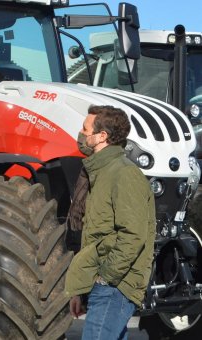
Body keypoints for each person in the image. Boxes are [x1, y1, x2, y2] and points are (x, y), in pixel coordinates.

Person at [65, 105, 156, 340]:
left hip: (116, 286)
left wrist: (107, 278)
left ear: (101, 136)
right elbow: (96, 237)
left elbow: (133, 235)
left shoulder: (124, 174)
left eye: (85, 129)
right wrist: (82, 290)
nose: (81, 134)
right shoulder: (98, 174)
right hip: (104, 284)